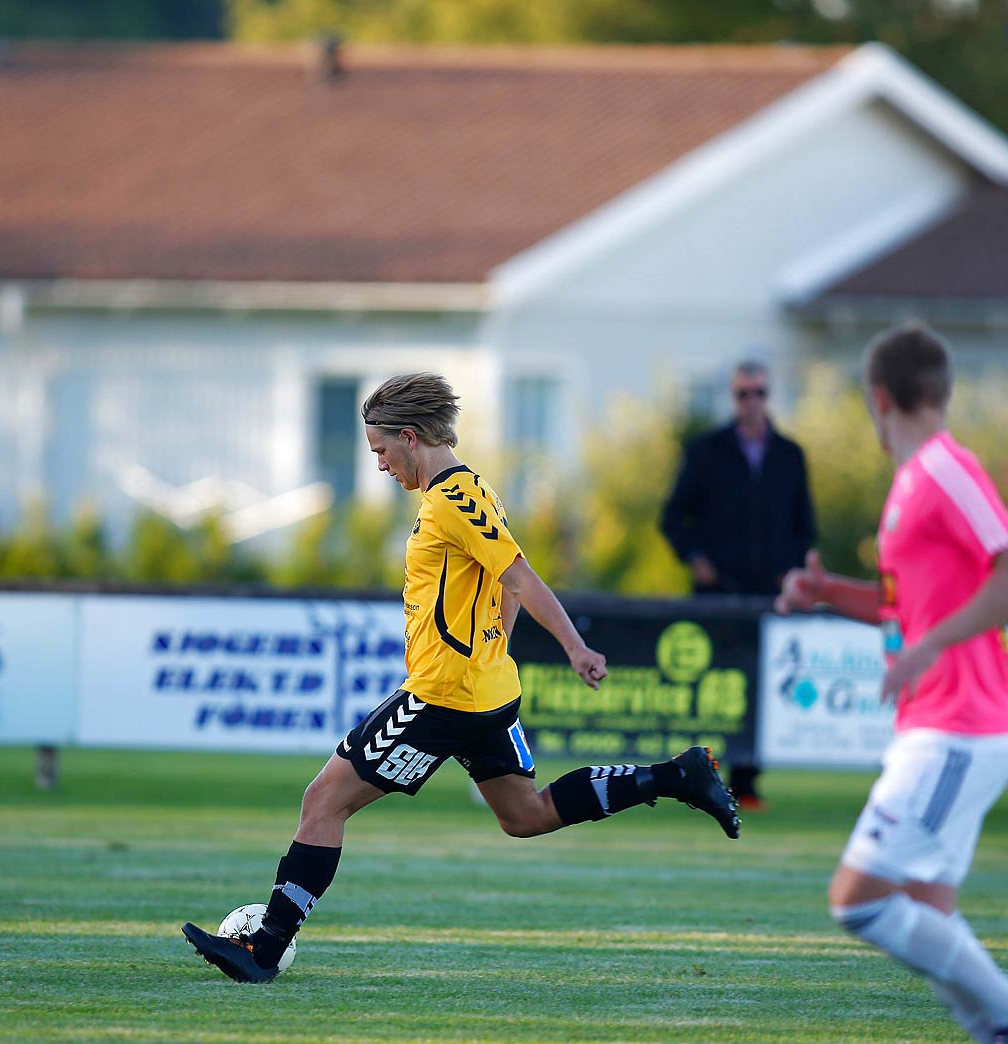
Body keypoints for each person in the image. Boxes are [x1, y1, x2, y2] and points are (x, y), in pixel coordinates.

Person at [182, 373, 741, 983]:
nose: (380, 465)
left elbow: (522, 575)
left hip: (441, 695)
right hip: (488, 693)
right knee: (525, 815)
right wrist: (497, 638)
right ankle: (674, 775)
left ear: (409, 436)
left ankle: (264, 950)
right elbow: (505, 580)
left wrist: (576, 647)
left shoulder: (451, 499)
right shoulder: (474, 490)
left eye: (380, 451)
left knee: (322, 803)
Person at [775, 323, 1008, 1044]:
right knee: (930, 919)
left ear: (879, 399)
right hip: (943, 724)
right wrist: (831, 593)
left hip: (963, 726)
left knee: (858, 900)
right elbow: (908, 613)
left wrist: (928, 647)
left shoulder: (943, 469)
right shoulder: (910, 485)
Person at [661, 359, 816, 811]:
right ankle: (695, 776)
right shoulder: (707, 450)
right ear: (733, 397)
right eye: (743, 393)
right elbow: (673, 517)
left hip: (769, 594)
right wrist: (695, 558)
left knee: (760, 686)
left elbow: (804, 526)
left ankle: (746, 784)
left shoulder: (790, 455)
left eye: (759, 393)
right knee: (712, 687)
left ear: (769, 396)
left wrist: (792, 569)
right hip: (718, 594)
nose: (752, 402)